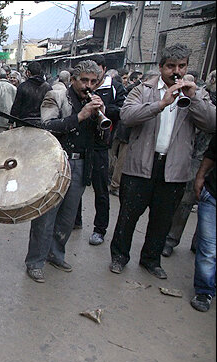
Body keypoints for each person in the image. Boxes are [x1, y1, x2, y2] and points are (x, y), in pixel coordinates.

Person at [109, 44, 215, 278]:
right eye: (171, 66)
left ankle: (151, 260)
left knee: (162, 219)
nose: (176, 71)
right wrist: (160, 104)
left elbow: (211, 123)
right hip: (140, 166)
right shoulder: (143, 89)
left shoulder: (196, 93)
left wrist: (193, 97)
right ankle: (119, 256)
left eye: (181, 66)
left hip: (174, 169)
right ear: (161, 67)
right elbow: (126, 116)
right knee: (128, 215)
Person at [25, 60, 105, 283]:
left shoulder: (97, 102)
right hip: (57, 163)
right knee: (46, 215)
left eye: (93, 81)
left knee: (68, 217)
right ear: (73, 80)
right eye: (84, 80)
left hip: (81, 164)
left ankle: (55, 254)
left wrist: (101, 118)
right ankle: (35, 261)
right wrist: (79, 117)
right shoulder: (56, 96)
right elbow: (47, 126)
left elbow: (102, 139)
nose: (88, 85)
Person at [162, 71, 215, 257]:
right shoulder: (201, 95)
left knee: (209, 204)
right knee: (187, 199)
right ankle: (170, 239)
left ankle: (199, 242)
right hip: (197, 155)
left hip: (210, 156)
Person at [77, 54, 126, 246]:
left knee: (101, 190)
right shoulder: (79, 88)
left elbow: (122, 110)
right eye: (87, 77)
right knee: (76, 186)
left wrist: (104, 109)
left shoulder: (115, 88)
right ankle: (75, 220)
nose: (91, 80)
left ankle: (99, 229)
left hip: (100, 145)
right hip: (81, 145)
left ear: (103, 70)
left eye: (95, 75)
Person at [109, 70, 158, 196]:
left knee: (115, 156)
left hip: (124, 131)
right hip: (126, 132)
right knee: (120, 158)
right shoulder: (137, 91)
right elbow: (127, 114)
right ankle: (114, 184)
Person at [190, 134, 216, 312]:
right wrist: (200, 177)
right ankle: (204, 290)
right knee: (208, 248)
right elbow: (212, 153)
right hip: (213, 195)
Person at [9, 61, 52, 127]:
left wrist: (11, 122)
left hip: (23, 122)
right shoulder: (48, 87)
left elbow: (16, 106)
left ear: (28, 72)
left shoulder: (23, 86)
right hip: (41, 123)